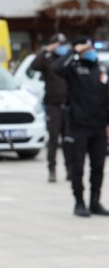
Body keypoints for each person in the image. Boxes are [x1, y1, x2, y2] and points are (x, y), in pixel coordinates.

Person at [52, 36, 109, 217]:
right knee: (78, 167)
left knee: (98, 166)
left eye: (91, 47)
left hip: (99, 126)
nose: (90, 50)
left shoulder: (102, 69)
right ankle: (79, 202)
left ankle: (95, 202)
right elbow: (57, 68)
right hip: (78, 126)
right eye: (87, 48)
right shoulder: (73, 68)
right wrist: (74, 51)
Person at [30, 33, 72, 182]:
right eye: (58, 45)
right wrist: (46, 50)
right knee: (53, 140)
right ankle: (52, 170)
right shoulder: (47, 60)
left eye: (63, 45)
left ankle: (70, 169)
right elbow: (34, 66)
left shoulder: (68, 60)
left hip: (67, 105)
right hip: (52, 105)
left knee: (69, 140)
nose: (61, 47)